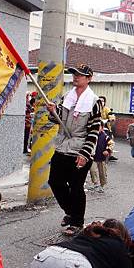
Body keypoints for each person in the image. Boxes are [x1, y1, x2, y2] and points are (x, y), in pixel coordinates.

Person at [47, 64, 103, 236]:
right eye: (74, 74)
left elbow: (94, 132)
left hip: (81, 149)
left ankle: (77, 222)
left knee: (76, 186)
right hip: (63, 145)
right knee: (55, 182)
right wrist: (53, 111)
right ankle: (71, 212)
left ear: (89, 78)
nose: (76, 77)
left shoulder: (94, 102)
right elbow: (57, 119)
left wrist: (85, 154)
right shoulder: (67, 98)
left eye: (80, 75)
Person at [89, 121, 113, 193]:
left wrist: (107, 150)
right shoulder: (92, 136)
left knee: (102, 173)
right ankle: (95, 183)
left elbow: (111, 144)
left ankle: (102, 185)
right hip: (93, 157)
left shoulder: (105, 136)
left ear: (102, 128)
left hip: (102, 158)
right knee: (92, 170)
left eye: (98, 127)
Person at [99, 95, 118, 161]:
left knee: (110, 140)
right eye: (100, 101)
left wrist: (111, 119)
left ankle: (109, 154)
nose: (101, 102)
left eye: (102, 101)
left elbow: (111, 115)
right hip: (96, 128)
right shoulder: (95, 108)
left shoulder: (106, 109)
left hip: (106, 128)